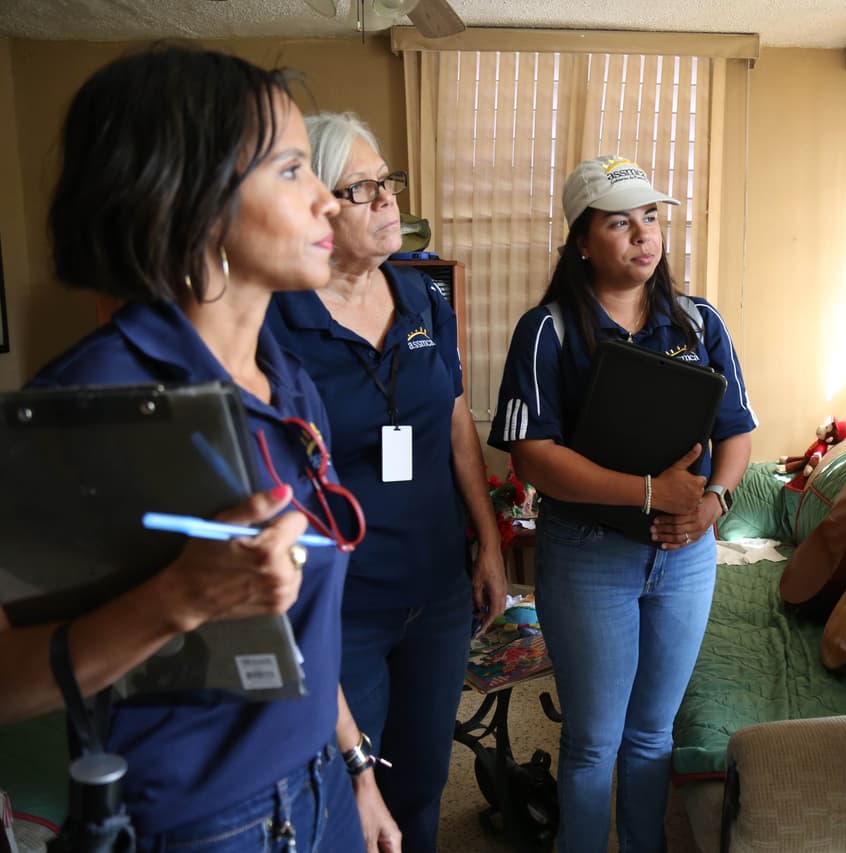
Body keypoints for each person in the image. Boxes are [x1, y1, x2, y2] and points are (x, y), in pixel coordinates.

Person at [4, 46, 402, 852]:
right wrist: (179, 599)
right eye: (294, 170)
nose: (330, 202)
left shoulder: (284, 378)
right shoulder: (95, 403)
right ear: (193, 204)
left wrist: (356, 766)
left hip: (319, 788)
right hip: (206, 825)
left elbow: (299, 625)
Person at [488, 154, 756, 852]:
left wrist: (713, 503)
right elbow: (532, 455)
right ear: (582, 241)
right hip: (587, 557)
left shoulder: (700, 323)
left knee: (652, 736)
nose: (644, 234)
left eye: (651, 217)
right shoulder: (546, 330)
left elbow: (737, 433)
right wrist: (646, 491)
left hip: (685, 557)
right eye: (619, 222)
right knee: (592, 742)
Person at [265, 111, 507, 851]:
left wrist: (489, 544)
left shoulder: (426, 300)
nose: (386, 202)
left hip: (435, 590)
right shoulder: (277, 320)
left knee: (422, 779)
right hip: (346, 603)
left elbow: (456, 422)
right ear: (318, 208)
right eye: (361, 188)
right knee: (348, 789)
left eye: (387, 183)